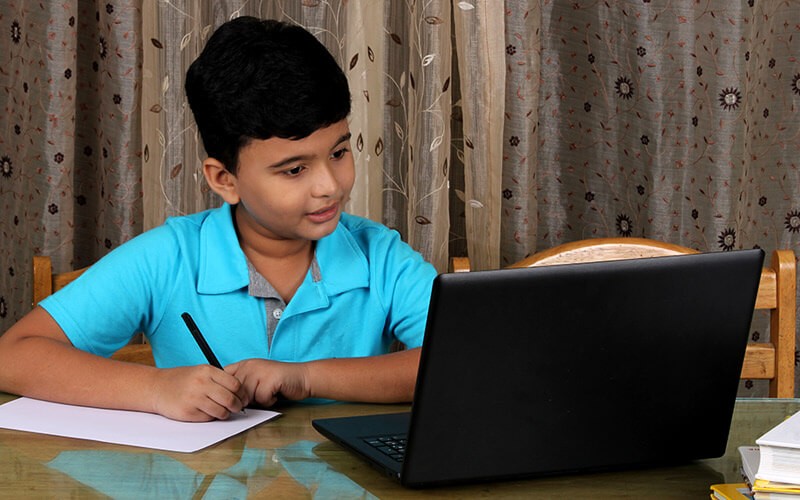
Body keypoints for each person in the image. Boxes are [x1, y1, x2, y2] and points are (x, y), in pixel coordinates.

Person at [0, 17, 437, 422]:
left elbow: (467, 362)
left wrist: (305, 377)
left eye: (339, 153)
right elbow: (12, 356)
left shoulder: (380, 255)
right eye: (295, 169)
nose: (329, 186)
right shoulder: (168, 257)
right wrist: (156, 389)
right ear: (225, 179)